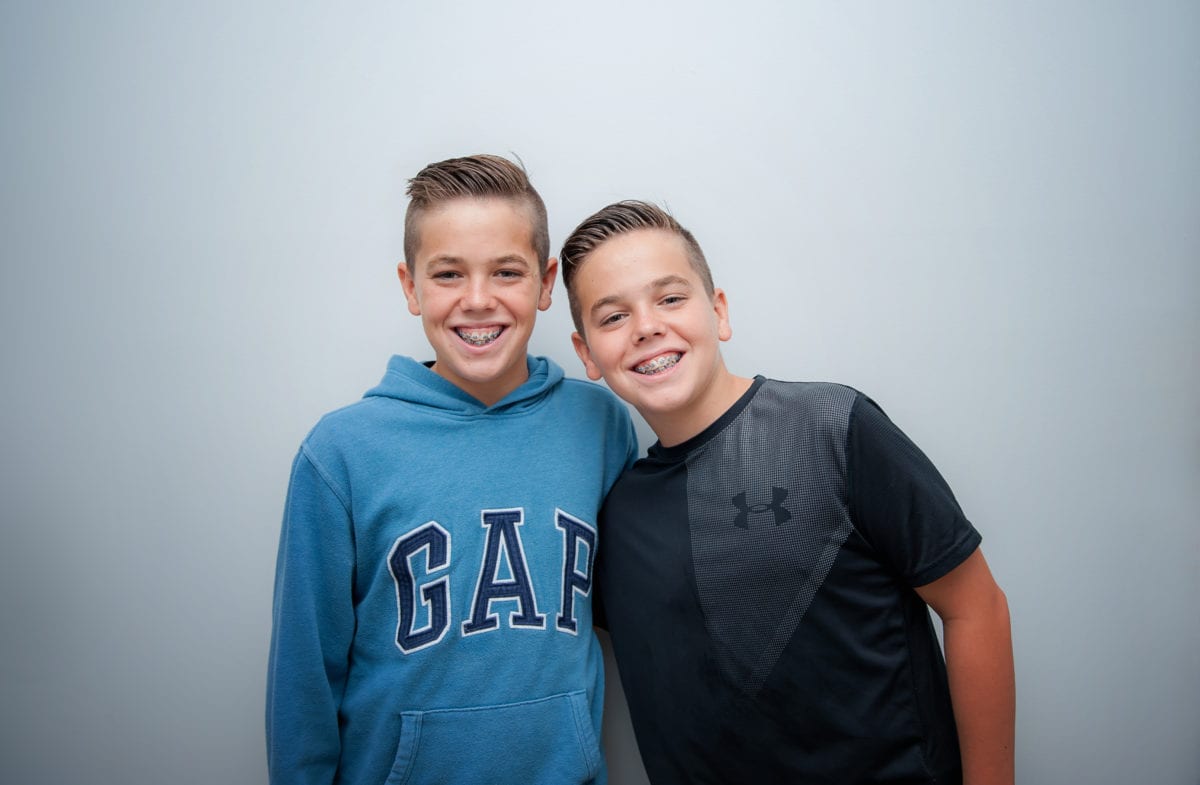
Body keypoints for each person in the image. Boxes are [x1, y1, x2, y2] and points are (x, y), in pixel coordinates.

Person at [560, 200, 1015, 785]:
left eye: (670, 298)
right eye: (612, 316)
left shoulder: (832, 426)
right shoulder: (614, 518)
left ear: (718, 312)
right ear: (587, 354)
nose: (647, 326)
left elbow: (977, 606)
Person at [266, 155, 636, 785]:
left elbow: (630, 610)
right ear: (410, 287)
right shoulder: (342, 453)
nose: (477, 299)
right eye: (447, 274)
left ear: (547, 283)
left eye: (507, 272)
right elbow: (304, 678)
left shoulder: (599, 426)